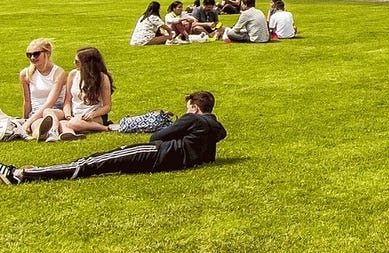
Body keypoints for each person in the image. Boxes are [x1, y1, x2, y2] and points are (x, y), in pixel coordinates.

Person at [1, 92, 226, 185]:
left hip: (156, 153)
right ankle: (27, 173)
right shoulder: (215, 129)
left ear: (195, 108)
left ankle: (21, 174)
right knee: (96, 163)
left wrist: (179, 128)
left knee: (91, 163)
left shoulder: (193, 119)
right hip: (163, 159)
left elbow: (156, 136)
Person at [55, 47, 114, 137]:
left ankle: (105, 128)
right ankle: (71, 134)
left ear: (87, 64)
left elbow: (107, 106)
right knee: (62, 123)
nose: (74, 63)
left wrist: (93, 114)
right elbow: (68, 100)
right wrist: (67, 113)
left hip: (95, 115)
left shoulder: (102, 78)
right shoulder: (73, 74)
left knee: (73, 123)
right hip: (76, 115)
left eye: (77, 62)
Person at [17, 39, 67, 139]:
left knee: (48, 113)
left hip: (55, 109)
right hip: (36, 111)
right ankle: (45, 134)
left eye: (36, 54)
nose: (32, 58)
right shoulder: (25, 74)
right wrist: (26, 119)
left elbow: (50, 102)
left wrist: (28, 123)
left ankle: (52, 131)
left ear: (47, 53)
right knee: (37, 127)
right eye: (29, 55)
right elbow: (27, 101)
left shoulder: (58, 73)